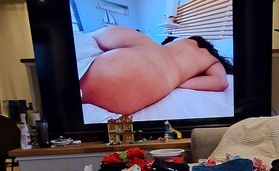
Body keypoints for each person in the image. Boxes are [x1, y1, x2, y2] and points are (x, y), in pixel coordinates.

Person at [75, 25, 230, 114]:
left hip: (148, 47)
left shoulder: (181, 39)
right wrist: (179, 82)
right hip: (157, 75)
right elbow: (221, 82)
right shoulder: (209, 58)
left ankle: (85, 37)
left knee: (92, 37)